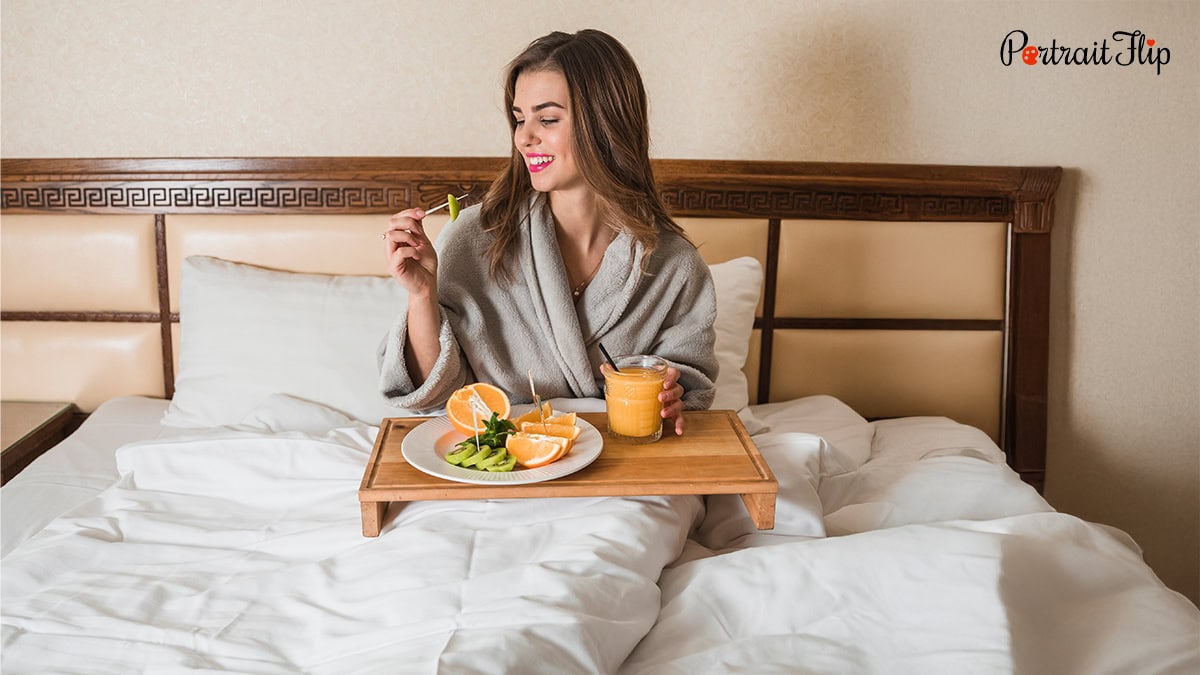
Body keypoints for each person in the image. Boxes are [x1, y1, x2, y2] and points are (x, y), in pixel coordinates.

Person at [378, 29, 717, 435]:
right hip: (503, 463)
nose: (524, 137)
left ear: (606, 124)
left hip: (623, 464)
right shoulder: (475, 238)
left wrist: (672, 397)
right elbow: (434, 396)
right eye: (520, 119)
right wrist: (422, 295)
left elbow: (689, 391)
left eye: (548, 119)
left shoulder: (673, 264)